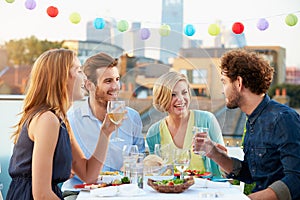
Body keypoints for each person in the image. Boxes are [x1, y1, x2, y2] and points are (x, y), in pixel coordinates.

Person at [6, 49, 117, 200]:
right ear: (62, 78)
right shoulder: (47, 120)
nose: (85, 78)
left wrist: (105, 132)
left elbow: (88, 174)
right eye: (79, 71)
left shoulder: (59, 120)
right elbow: (42, 195)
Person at [193, 49, 300, 200]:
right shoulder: (252, 119)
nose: (223, 91)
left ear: (238, 83)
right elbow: (251, 173)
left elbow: (296, 180)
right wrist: (215, 154)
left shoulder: (283, 119)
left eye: (224, 82)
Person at [61, 52, 145, 196]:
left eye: (117, 79)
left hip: (120, 191)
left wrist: (135, 164)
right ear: (89, 85)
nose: (115, 87)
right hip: (82, 191)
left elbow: (139, 155)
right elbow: (63, 162)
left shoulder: (132, 117)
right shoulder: (71, 119)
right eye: (108, 81)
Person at [146, 71, 225, 178]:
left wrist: (218, 154)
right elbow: (155, 175)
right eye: (173, 95)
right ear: (162, 98)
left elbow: (224, 168)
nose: (181, 99)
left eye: (184, 92)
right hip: (170, 192)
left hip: (205, 191)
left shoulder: (207, 120)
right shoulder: (154, 133)